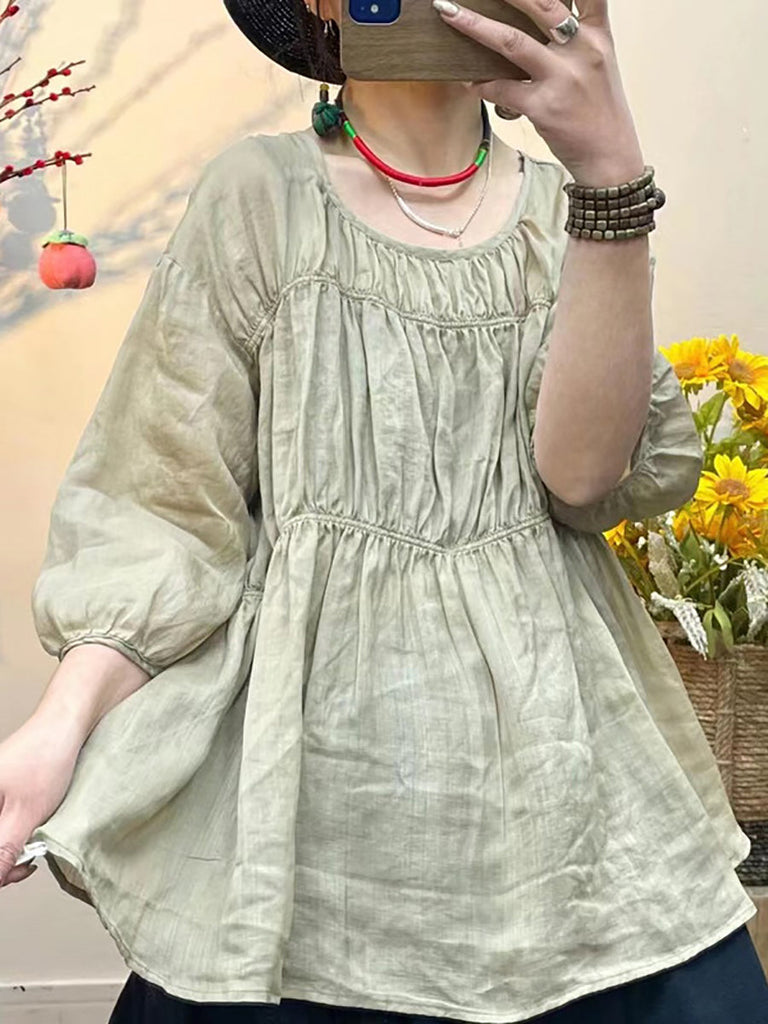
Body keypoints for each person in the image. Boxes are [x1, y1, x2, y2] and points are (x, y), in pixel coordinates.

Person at [1, 0, 767, 1020]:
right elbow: (166, 511)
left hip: (564, 792)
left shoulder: (567, 209)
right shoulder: (260, 199)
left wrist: (611, 177)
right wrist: (56, 728)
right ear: (319, 3)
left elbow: (583, 479)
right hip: (313, 815)